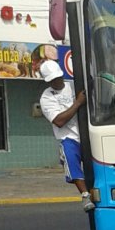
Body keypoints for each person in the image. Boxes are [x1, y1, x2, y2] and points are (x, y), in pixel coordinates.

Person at [39, 60, 93, 212]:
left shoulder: (73, 85)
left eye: (58, 77)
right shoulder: (47, 97)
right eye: (53, 80)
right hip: (69, 137)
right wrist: (77, 103)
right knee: (68, 156)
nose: (57, 81)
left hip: (87, 134)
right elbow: (59, 121)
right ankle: (85, 195)